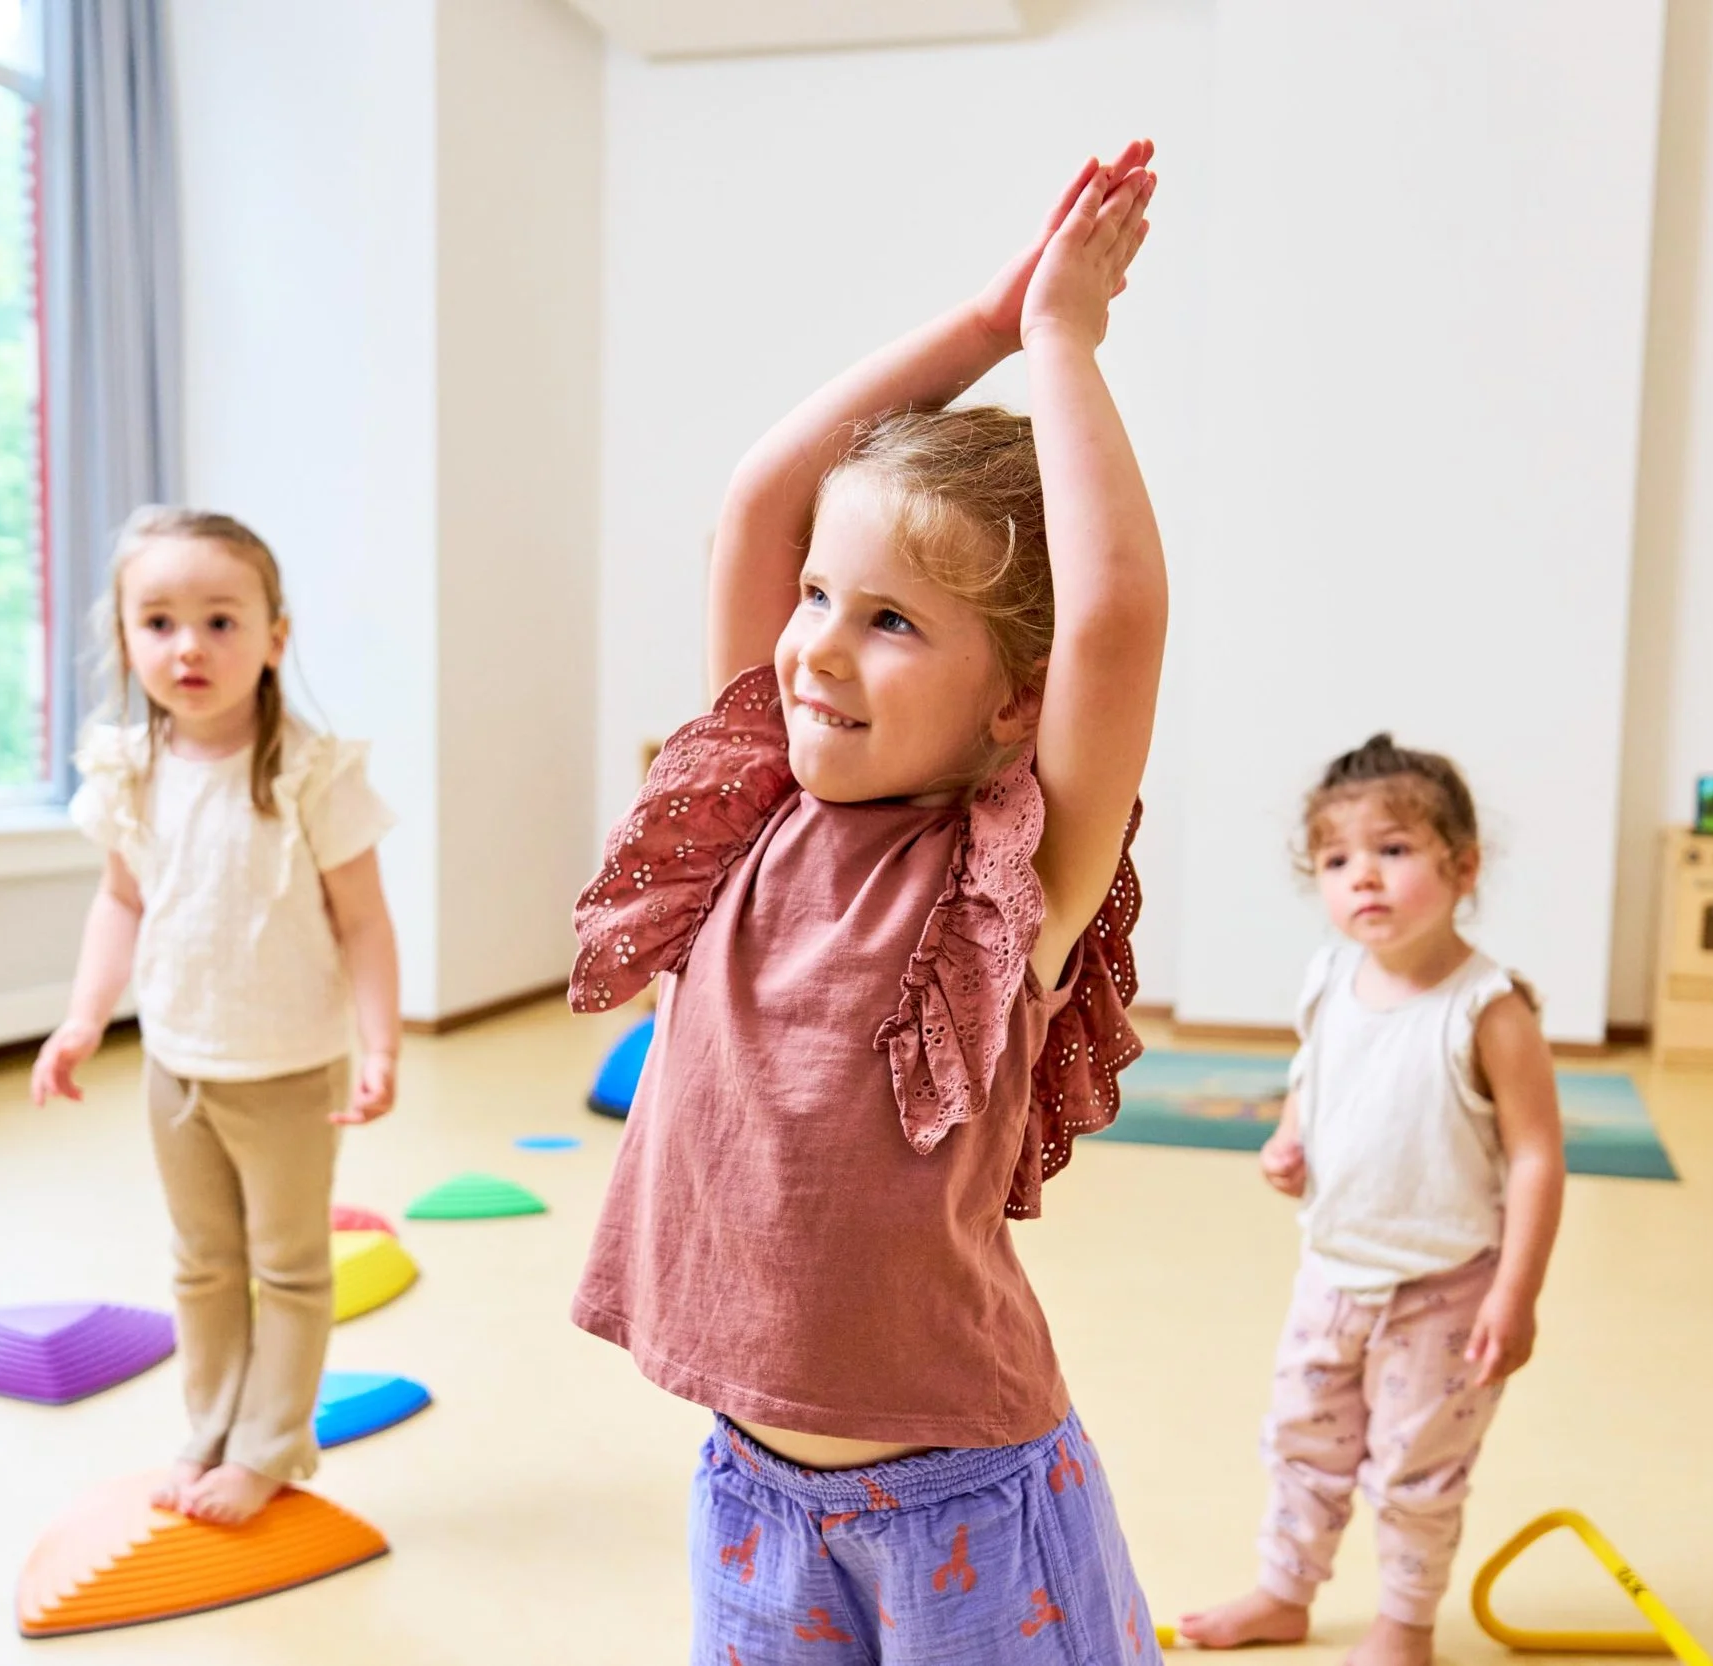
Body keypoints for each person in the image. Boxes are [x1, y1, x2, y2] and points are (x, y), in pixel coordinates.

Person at [569, 144, 1167, 1660]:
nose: (817, 646)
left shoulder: (1002, 886)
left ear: (1014, 706)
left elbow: (1114, 618)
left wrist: (1062, 347)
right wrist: (980, 315)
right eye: (818, 599)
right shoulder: (746, 802)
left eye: (891, 619)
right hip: (753, 1496)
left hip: (967, 1510)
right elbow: (761, 501)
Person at [32, 506, 400, 1525]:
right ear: (125, 638)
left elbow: (364, 921)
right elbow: (121, 901)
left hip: (287, 1068)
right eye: (157, 621)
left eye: (221, 621)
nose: (188, 644)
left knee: (286, 1267)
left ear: (275, 640)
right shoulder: (128, 774)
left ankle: (272, 1446)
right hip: (176, 1064)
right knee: (201, 1264)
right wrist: (80, 1019)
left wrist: (380, 1042)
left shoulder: (309, 774)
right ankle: (211, 1422)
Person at [1180, 735, 1565, 1664]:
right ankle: (1284, 1591)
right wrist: (1292, 1135)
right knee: (1302, 1442)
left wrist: (1517, 1295)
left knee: (1415, 1471)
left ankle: (1404, 1624)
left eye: (1392, 851)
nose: (1364, 879)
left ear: (1463, 867)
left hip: (1445, 1288)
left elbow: (1536, 1158)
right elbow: (1315, 1074)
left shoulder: (1490, 1012)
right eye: (1338, 859)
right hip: (1333, 1270)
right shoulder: (1329, 979)